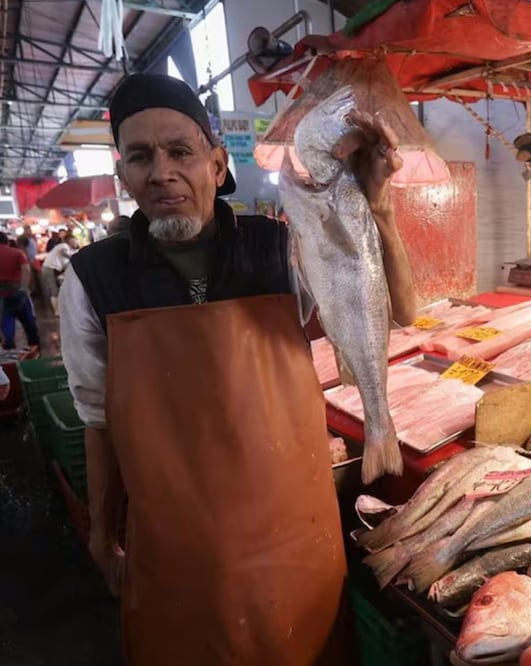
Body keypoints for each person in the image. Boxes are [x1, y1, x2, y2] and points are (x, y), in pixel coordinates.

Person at [60, 73, 416, 665]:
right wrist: (101, 535)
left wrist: (376, 207)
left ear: (218, 165)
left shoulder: (279, 246)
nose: (162, 172)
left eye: (181, 151)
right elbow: (97, 419)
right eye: (141, 157)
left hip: (296, 536)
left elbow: (400, 311)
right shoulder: (93, 277)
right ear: (124, 176)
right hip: (175, 552)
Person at [0, 231, 39, 350]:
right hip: (18, 293)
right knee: (29, 324)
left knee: (7, 325)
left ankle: (11, 355)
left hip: (1, 296)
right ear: (7, 241)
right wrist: (24, 289)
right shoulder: (17, 253)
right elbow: (26, 270)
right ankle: (36, 351)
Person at [41, 234, 78, 316]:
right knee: (54, 290)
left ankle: (58, 310)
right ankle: (57, 312)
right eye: (75, 240)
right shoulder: (63, 246)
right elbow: (64, 252)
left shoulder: (66, 248)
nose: (76, 243)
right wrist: (76, 256)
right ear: (70, 240)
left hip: (49, 268)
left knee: (55, 289)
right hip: (50, 268)